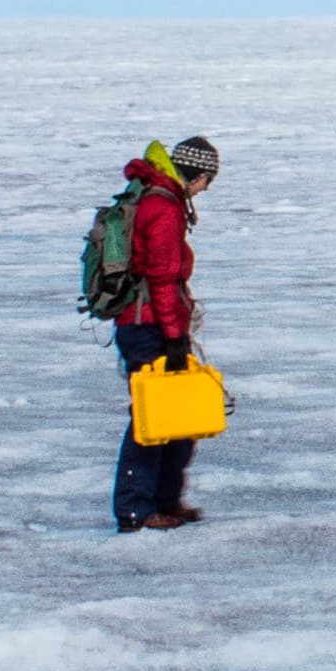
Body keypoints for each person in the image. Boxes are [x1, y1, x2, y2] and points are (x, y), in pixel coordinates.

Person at [113, 135, 220, 534]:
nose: (207, 189)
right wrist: (175, 337)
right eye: (208, 180)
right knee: (152, 418)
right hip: (147, 324)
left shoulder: (157, 197)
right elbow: (162, 277)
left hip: (147, 321)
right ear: (197, 175)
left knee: (175, 417)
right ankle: (135, 512)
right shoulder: (163, 206)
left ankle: (164, 502)